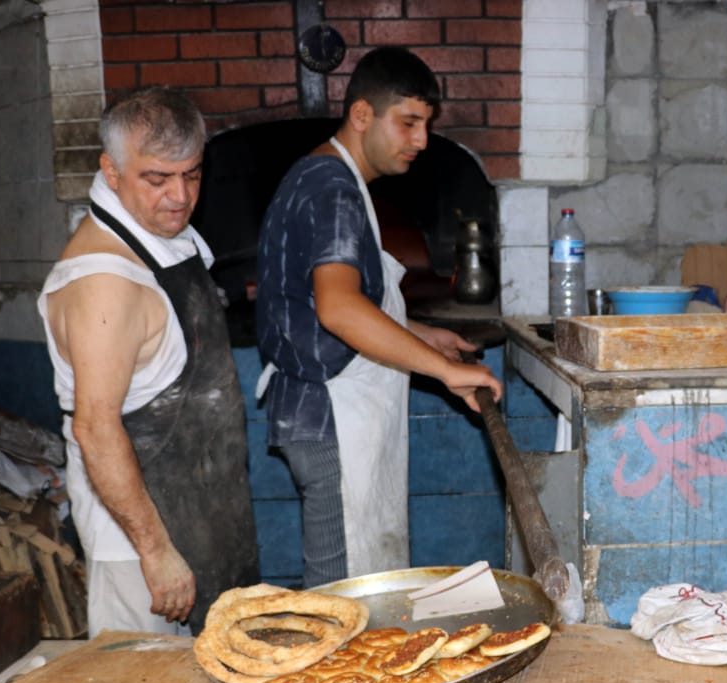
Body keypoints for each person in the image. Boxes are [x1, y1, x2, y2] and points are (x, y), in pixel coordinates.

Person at [255, 47, 502, 588]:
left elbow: (344, 300)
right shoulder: (333, 188)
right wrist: (445, 372)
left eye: (427, 126)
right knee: (342, 600)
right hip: (331, 417)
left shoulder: (326, 178)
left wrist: (423, 337)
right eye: (408, 122)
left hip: (324, 413)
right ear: (362, 114)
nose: (420, 140)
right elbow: (340, 309)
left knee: (359, 592)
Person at [37, 87, 259, 637]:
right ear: (110, 172)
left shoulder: (161, 239)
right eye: (156, 179)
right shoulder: (103, 283)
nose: (179, 197)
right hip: (139, 541)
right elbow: (95, 426)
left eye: (192, 175)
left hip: (199, 513)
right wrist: (155, 553)